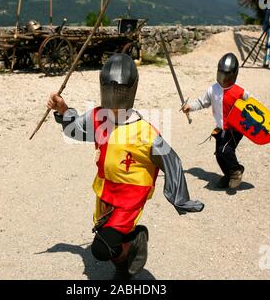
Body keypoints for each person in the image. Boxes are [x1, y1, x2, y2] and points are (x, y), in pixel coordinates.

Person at [47, 53, 204, 280]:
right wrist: (63, 109)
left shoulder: (146, 133)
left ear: (129, 90)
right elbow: (75, 130)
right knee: (107, 239)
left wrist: (180, 198)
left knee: (101, 248)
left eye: (118, 91)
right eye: (109, 90)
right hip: (105, 192)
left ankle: (134, 239)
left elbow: (172, 162)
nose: (113, 98)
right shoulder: (98, 117)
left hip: (130, 197)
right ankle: (124, 264)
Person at [182, 53, 249, 189]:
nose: (224, 78)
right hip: (220, 128)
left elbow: (253, 108)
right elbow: (202, 102)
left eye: (227, 75)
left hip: (235, 128)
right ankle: (228, 175)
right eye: (221, 74)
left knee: (225, 150)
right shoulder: (213, 89)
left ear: (233, 74)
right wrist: (190, 107)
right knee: (219, 154)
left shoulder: (240, 92)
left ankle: (236, 170)